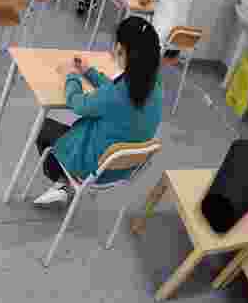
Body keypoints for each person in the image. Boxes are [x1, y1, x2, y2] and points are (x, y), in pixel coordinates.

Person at [32, 17, 163, 206]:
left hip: (95, 168)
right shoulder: (155, 86)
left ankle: (63, 181)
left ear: (119, 48)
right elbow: (115, 94)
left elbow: (78, 103)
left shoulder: (117, 93)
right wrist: (89, 72)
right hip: (123, 169)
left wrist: (72, 76)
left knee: (43, 129)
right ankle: (64, 185)